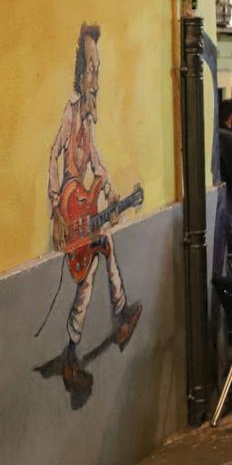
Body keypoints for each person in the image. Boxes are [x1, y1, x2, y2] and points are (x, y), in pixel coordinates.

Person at [48, 25, 143, 392]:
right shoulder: (72, 114)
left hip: (85, 215)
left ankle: (83, 342)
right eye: (90, 68)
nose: (96, 77)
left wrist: (115, 193)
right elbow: (53, 156)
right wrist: (57, 207)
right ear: (79, 72)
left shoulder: (88, 121)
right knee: (93, 263)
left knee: (98, 257)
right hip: (71, 216)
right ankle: (113, 320)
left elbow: (98, 166)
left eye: (97, 68)